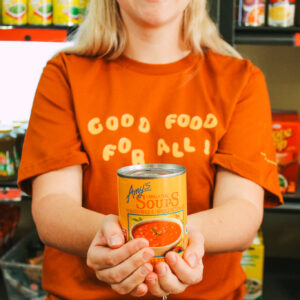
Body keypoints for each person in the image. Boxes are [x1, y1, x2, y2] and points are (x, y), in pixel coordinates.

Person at [18, 0, 283, 299]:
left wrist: (176, 241)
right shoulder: (63, 74)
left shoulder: (241, 81)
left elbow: (243, 210)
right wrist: (111, 237)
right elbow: (53, 204)